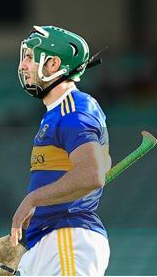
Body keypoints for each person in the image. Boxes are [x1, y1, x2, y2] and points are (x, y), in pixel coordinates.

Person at [11, 25, 111, 276]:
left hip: (66, 238)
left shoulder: (74, 108)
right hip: (49, 240)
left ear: (53, 64)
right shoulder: (56, 112)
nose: (23, 66)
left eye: (30, 58)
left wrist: (32, 199)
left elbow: (91, 175)